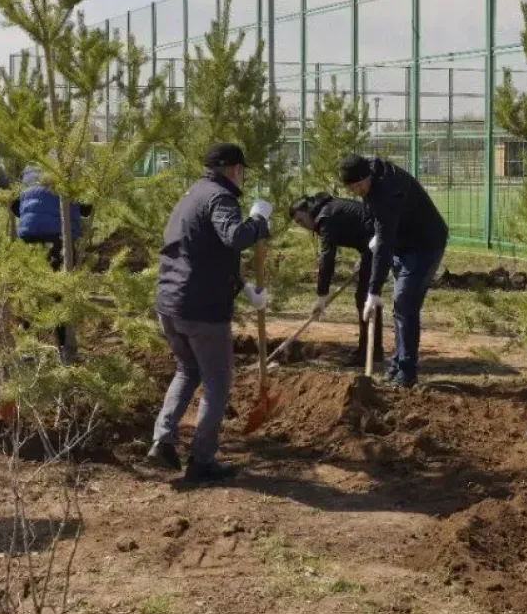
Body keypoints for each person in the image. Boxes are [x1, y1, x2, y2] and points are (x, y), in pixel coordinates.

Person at [146, 143, 271, 483]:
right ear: (232, 169)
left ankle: (163, 439)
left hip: (170, 304)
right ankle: (202, 460)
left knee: (188, 369)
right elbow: (234, 237)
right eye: (241, 170)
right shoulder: (219, 197)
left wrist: (244, 290)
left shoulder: (192, 194)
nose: (243, 176)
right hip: (201, 309)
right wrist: (259, 221)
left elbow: (201, 252)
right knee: (217, 383)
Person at [339, 154, 448, 388]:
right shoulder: (371, 182)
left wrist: (373, 292)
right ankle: (398, 364)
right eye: (352, 188)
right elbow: (374, 221)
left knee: (404, 302)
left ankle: (407, 372)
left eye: (358, 185)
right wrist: (373, 239)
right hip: (403, 242)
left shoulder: (388, 190)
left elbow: (385, 242)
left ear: (367, 176)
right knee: (401, 307)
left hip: (424, 245)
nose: (356, 191)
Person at [289, 192, 383, 367]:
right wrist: (364, 255)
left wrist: (322, 295)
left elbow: (327, 257)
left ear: (308, 210)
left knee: (365, 297)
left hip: (379, 240)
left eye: (301, 221)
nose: (303, 226)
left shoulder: (326, 217)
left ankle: (371, 352)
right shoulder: (327, 210)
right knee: (364, 297)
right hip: (371, 243)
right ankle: (370, 349)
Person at [11, 166, 92, 353]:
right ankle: (64, 344)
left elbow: (15, 205)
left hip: (29, 237)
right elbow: (86, 209)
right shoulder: (68, 168)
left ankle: (27, 340)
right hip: (58, 236)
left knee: (32, 286)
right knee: (60, 290)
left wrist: (32, 219)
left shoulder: (28, 173)